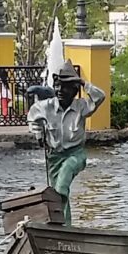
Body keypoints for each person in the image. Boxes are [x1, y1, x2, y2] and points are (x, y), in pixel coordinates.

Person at [25, 63, 105, 225]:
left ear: (75, 90)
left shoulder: (81, 106)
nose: (60, 90)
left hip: (75, 154)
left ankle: (63, 227)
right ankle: (64, 227)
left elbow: (100, 96)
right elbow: (33, 116)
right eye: (57, 86)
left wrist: (82, 82)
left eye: (66, 87)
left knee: (62, 186)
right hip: (54, 157)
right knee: (57, 195)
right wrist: (39, 134)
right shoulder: (46, 106)